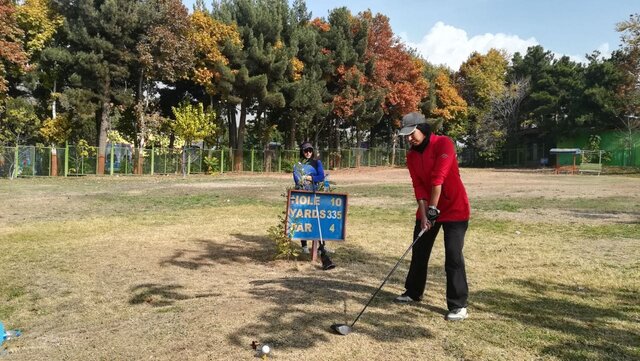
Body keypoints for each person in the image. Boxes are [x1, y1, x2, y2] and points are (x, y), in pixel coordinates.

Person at [394, 112, 471, 321]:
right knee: (419, 250)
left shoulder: (444, 143)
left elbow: (439, 178)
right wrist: (424, 213)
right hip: (429, 207)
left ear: (423, 128)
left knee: (453, 255)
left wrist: (433, 210)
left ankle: (458, 305)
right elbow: (419, 185)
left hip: (454, 208)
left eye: (412, 133)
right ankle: (413, 292)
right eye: (406, 135)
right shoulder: (411, 155)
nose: (409, 138)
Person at [292, 142, 335, 270]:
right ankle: (304, 244)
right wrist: (303, 179)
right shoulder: (298, 165)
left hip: (315, 195)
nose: (308, 153)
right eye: (306, 151)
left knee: (317, 220)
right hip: (302, 195)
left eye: (310, 150)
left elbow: (321, 176)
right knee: (303, 219)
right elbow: (297, 179)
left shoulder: (317, 163)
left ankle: (322, 247)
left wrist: (310, 178)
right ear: (302, 152)